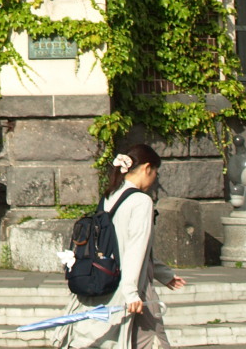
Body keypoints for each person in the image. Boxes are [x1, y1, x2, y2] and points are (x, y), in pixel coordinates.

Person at [58, 144, 186, 349]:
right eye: (156, 173)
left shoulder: (109, 196)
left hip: (109, 279)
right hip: (134, 287)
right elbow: (134, 248)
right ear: (147, 168)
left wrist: (164, 274)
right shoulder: (141, 201)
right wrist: (131, 292)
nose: (155, 179)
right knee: (153, 341)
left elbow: (121, 245)